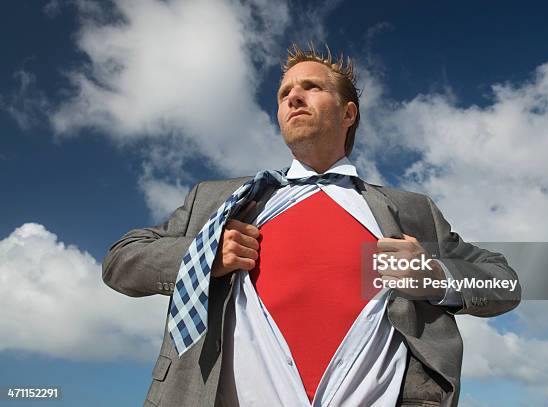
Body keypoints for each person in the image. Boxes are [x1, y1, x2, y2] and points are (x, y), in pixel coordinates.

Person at [102, 44, 521, 407]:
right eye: (285, 93)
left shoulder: (413, 209)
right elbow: (120, 261)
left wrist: (436, 276)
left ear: (348, 113)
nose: (293, 97)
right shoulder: (217, 200)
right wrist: (203, 256)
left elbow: (507, 283)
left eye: (312, 87)